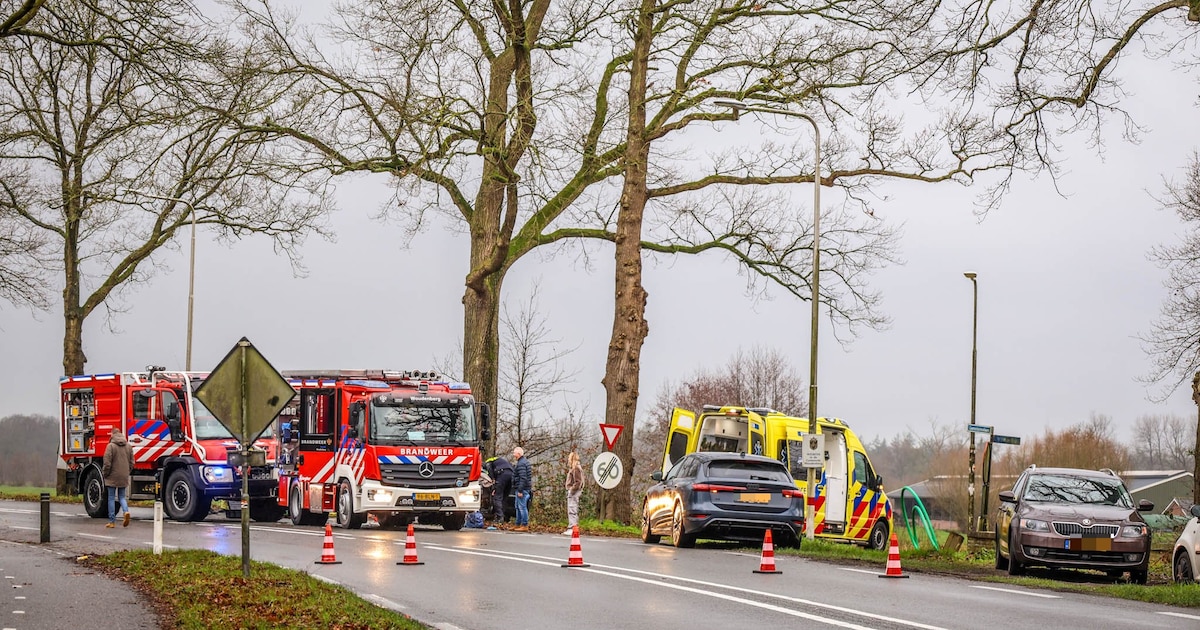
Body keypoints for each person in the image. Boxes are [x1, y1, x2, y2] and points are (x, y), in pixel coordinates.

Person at [102, 426, 133, 528]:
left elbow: (107, 463)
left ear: (112, 435)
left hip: (112, 475)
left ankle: (112, 521)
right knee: (122, 497)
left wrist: (105, 474)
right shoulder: (128, 446)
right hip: (123, 475)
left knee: (111, 498)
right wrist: (127, 471)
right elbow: (132, 462)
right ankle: (126, 511)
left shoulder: (110, 446)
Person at [485, 455, 514, 529]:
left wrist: (492, 479)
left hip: (502, 475)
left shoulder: (488, 462)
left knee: (497, 497)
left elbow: (488, 468)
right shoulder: (500, 460)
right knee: (504, 497)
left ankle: (499, 518)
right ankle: (503, 517)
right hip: (511, 475)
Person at [562, 450, 584, 536]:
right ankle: (573, 527)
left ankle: (572, 527)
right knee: (572, 509)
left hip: (574, 492)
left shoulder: (576, 468)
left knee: (572, 509)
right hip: (574, 492)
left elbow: (578, 482)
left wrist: (571, 490)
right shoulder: (576, 468)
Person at [512, 446, 532, 532]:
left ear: (519, 454)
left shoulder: (521, 464)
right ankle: (517, 524)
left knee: (522, 507)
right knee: (517, 506)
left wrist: (520, 490)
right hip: (522, 488)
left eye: (514, 453)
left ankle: (524, 524)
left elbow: (523, 478)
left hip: (522, 489)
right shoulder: (523, 462)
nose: (513, 455)